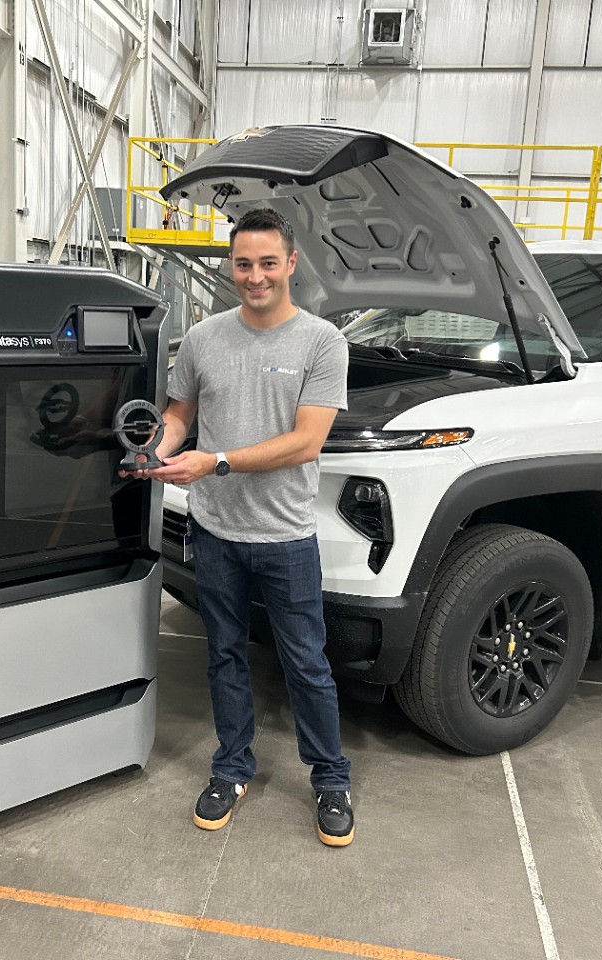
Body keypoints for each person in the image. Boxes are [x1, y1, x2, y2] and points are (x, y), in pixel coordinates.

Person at [134, 207, 355, 846]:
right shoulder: (204, 339)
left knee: (306, 663)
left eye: (266, 263)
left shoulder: (321, 342)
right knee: (224, 655)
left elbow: (307, 442)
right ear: (229, 266)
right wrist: (158, 447)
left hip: (285, 537)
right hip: (215, 533)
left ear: (289, 264)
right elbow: (179, 413)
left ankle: (330, 777)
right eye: (242, 264)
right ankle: (233, 766)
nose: (254, 276)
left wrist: (216, 461)